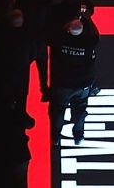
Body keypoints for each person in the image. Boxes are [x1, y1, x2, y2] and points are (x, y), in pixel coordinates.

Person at [47, 10, 100, 143]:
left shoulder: (60, 40)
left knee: (59, 110)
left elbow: (53, 35)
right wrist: (87, 19)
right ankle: (78, 135)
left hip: (63, 84)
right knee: (80, 110)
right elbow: (96, 36)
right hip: (83, 85)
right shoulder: (88, 43)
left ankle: (56, 137)